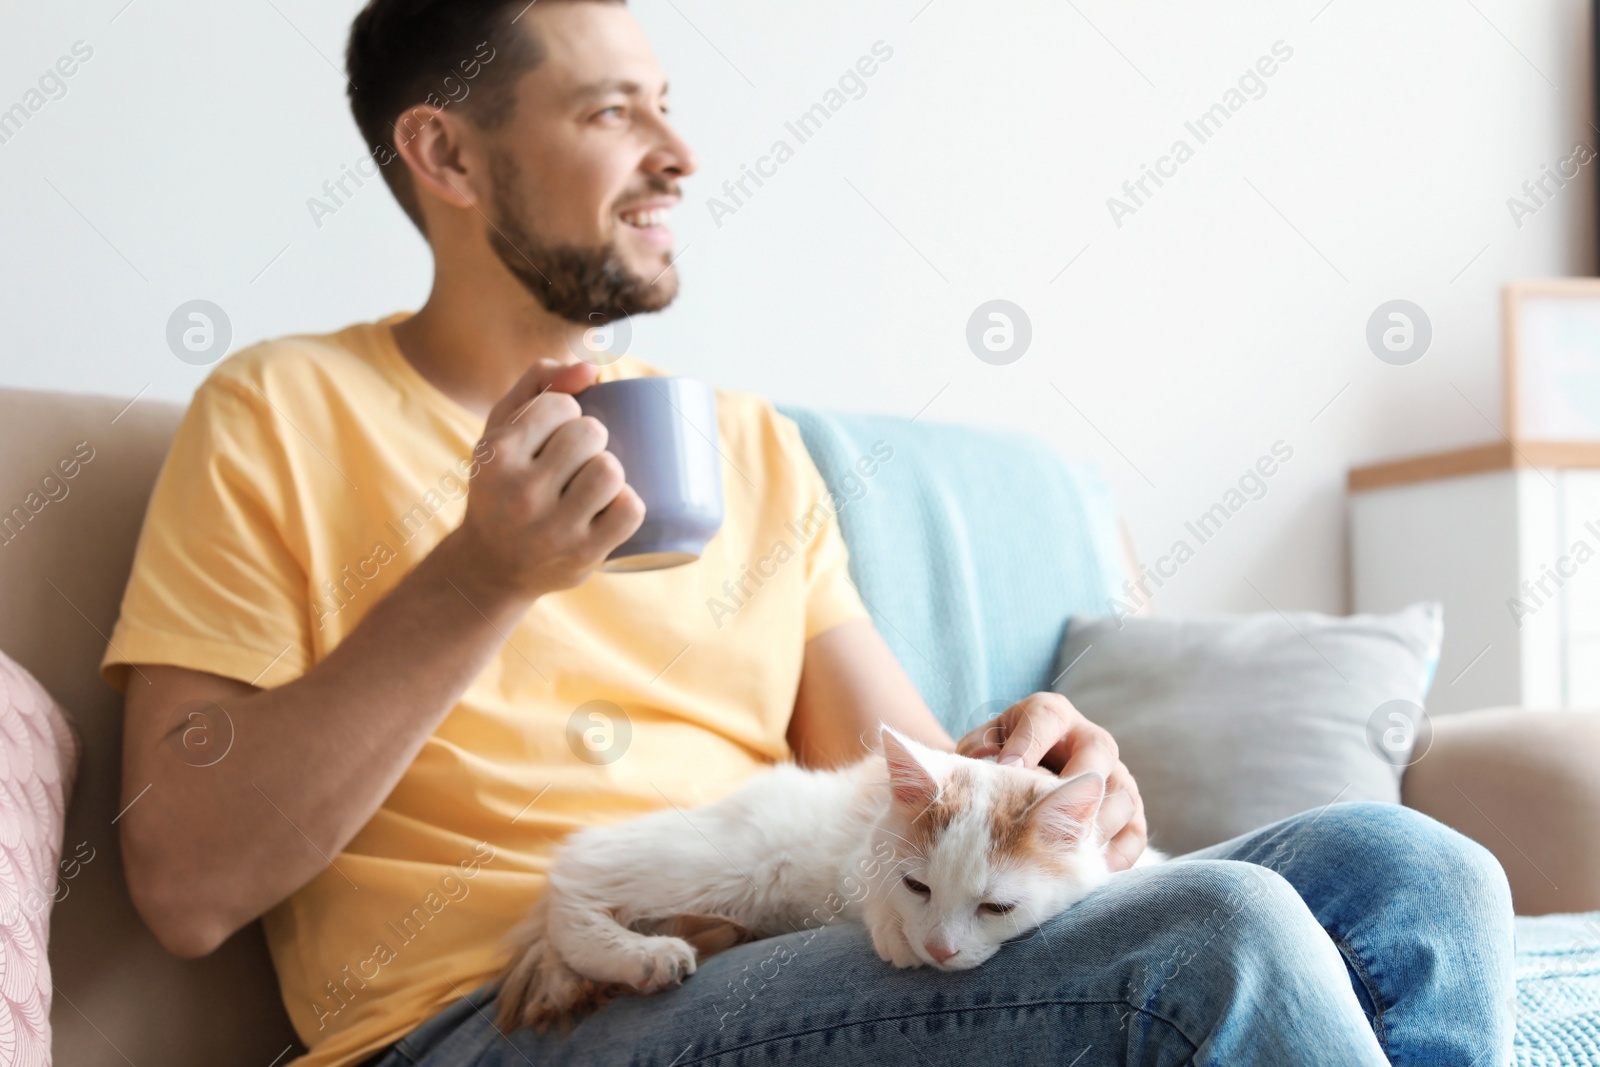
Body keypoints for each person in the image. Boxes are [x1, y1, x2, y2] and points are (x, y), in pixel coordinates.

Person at [101, 2, 1516, 1064]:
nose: (680, 153)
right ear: (445, 155)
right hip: (498, 1012)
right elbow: (183, 880)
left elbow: (900, 780)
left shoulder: (747, 446)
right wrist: (484, 576)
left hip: (795, 951)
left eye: (667, 104)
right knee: (1227, 941)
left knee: (1417, 874)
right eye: (611, 115)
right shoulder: (281, 411)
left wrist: (1042, 772)